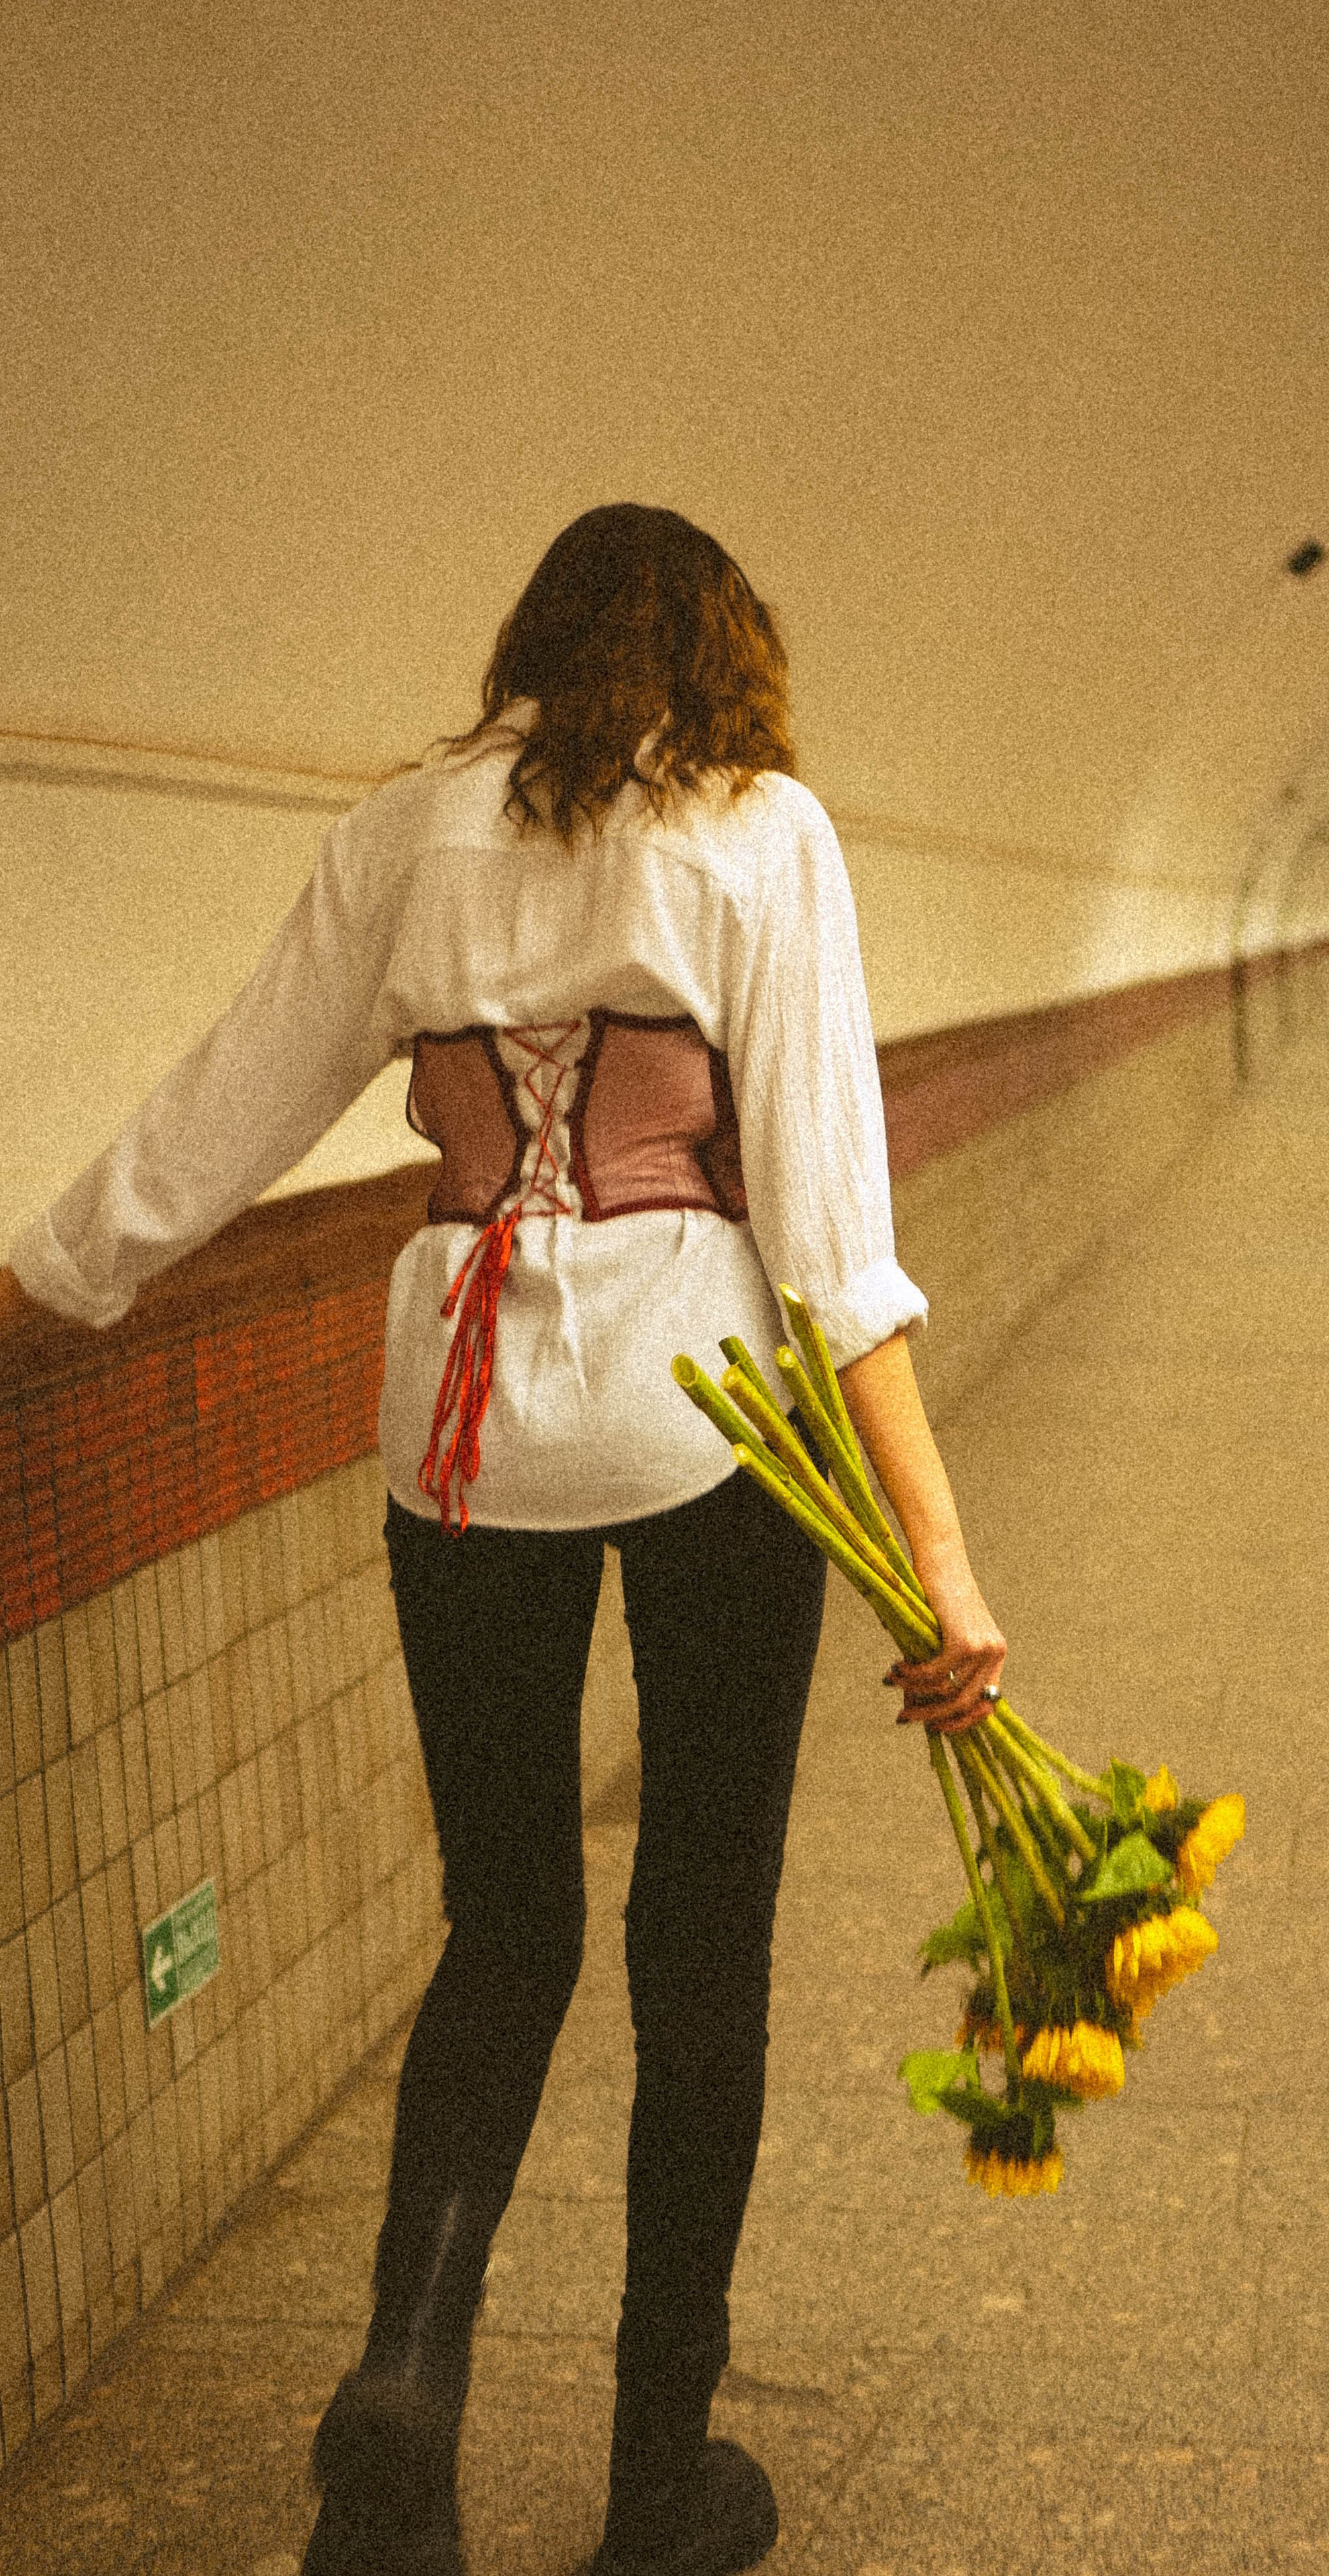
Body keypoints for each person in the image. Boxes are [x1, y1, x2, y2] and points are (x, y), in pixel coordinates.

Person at [0, 504, 1008, 2576]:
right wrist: (941, 1555)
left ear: (530, 645)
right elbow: (826, 1234)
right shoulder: (758, 835)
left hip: (453, 1428)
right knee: (698, 1934)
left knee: (507, 1920)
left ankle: (409, 2367)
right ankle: (657, 2479)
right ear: (730, 655)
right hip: (700, 1418)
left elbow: (227, 1103)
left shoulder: (401, 834)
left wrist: (51, 1278)